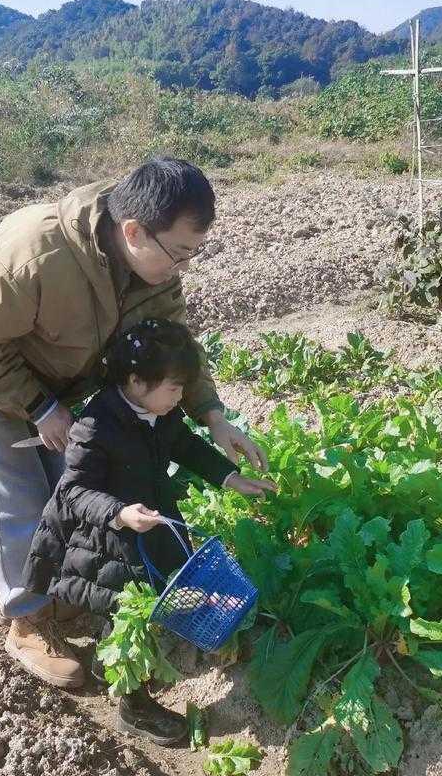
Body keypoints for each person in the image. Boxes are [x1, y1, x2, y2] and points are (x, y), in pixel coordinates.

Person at [0, 157, 270, 689]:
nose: (181, 267)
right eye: (178, 253)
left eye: (193, 255)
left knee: (77, 489)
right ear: (133, 231)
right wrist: (39, 409)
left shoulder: (151, 271)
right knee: (16, 503)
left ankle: (63, 598)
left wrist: (212, 416)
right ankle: (28, 622)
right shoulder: (36, 254)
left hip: (61, 385)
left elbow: (174, 346)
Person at [23, 318, 274, 743]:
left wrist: (230, 478)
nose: (180, 398)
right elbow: (73, 492)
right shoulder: (95, 427)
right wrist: (119, 513)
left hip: (150, 525)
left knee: (150, 600)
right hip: (108, 542)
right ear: (137, 382)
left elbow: (186, 445)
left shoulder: (160, 412)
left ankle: (108, 666)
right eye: (174, 389)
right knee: (128, 617)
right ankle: (132, 707)